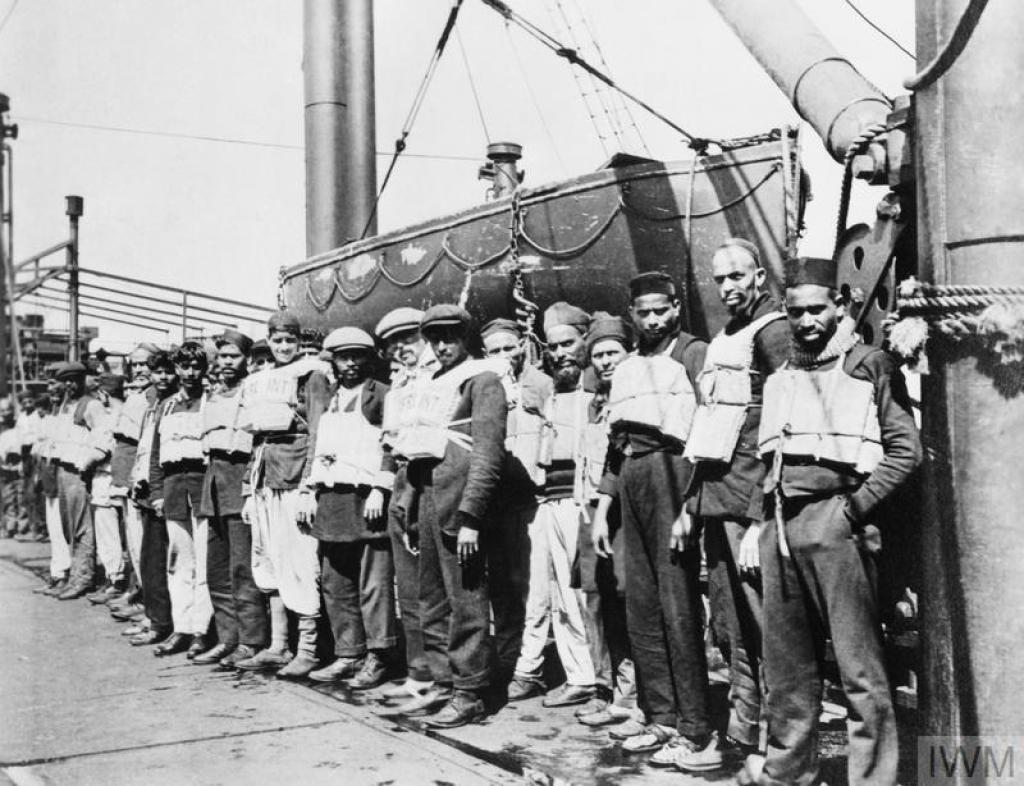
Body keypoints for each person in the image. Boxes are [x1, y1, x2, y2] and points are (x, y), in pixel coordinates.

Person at [753, 257, 922, 786]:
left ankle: (872, 779)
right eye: (795, 311)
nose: (806, 321)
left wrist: (852, 510)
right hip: (780, 524)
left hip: (836, 523)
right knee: (786, 666)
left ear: (841, 306)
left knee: (859, 671)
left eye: (817, 310)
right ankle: (786, 770)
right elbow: (769, 458)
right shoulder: (782, 373)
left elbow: (906, 451)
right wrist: (761, 522)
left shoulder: (869, 364)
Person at [601, 271, 718, 769]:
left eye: (661, 310)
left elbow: (710, 430)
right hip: (633, 477)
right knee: (642, 605)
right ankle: (660, 716)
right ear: (632, 315)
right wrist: (603, 506)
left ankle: (696, 729)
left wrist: (690, 506)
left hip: (674, 474)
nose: (652, 320)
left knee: (677, 605)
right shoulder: (627, 366)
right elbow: (615, 444)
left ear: (675, 307)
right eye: (643, 312)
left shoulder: (694, 353)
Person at [682, 238, 790, 763]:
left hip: (748, 503)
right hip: (716, 500)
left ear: (759, 278)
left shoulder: (773, 333)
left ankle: (779, 748)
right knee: (730, 627)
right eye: (720, 277)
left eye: (737, 276)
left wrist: (760, 518)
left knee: (765, 627)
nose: (727, 286)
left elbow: (780, 431)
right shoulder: (726, 335)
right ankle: (744, 737)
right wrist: (690, 504)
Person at [383, 304, 507, 728]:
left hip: (460, 503)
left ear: (465, 337)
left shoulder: (483, 379)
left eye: (450, 336)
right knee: (431, 598)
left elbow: (488, 454)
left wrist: (472, 515)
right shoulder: (432, 383)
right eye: (434, 337)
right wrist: (410, 505)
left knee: (466, 599)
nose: (441, 345)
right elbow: (416, 450)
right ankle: (442, 681)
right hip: (428, 498)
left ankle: (470, 691)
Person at [506, 303, 597, 707]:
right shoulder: (548, 393)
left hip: (580, 504)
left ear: (585, 342)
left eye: (569, 344)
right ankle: (536, 669)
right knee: (543, 591)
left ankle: (585, 677)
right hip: (546, 502)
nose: (561, 353)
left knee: (576, 593)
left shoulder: (595, 394)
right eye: (554, 346)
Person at [237, 310, 330, 678]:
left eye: (290, 341)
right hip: (264, 477)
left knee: (299, 559)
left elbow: (318, 431)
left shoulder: (312, 375)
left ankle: (308, 649)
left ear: (298, 342)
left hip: (294, 475)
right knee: (268, 559)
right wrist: (249, 487)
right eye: (277, 341)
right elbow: (255, 439)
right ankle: (279, 644)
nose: (284, 347)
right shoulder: (262, 379)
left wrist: (310, 484)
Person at [305, 326, 397, 688]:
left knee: (373, 583)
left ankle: (380, 655)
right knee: (335, 580)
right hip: (332, 498)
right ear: (334, 361)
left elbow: (390, 445)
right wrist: (307, 491)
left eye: (358, 356)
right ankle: (349, 653)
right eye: (344, 357)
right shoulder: (326, 398)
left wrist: (379, 488)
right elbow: (316, 444)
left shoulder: (382, 396)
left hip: (367, 499)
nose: (351, 364)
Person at [374, 307, 441, 708]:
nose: (401, 350)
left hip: (433, 479)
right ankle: (419, 673)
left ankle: (441, 676)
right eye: (393, 344)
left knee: (435, 587)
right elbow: (389, 442)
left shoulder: (440, 378)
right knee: (409, 585)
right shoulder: (397, 388)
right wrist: (383, 490)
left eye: (408, 340)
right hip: (401, 482)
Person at [480, 317, 552, 683]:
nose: (505, 356)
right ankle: (508, 657)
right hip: (497, 502)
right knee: (502, 586)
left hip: (533, 500)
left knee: (533, 586)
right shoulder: (484, 387)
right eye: (496, 351)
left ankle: (531, 666)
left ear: (524, 344)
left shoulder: (541, 383)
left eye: (510, 348)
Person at [579, 313, 639, 727]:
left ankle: (633, 696)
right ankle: (612, 689)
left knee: (627, 602)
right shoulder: (594, 401)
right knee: (598, 604)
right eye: (598, 354)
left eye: (612, 352)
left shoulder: (633, 397)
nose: (605, 361)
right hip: (592, 515)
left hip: (623, 516)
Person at [197, 330, 269, 668]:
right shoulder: (213, 395)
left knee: (242, 569)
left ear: (246, 360)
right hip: (214, 488)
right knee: (216, 570)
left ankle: (251, 641)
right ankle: (228, 637)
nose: (226, 363)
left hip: (239, 486)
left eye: (233, 357)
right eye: (222, 356)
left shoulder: (253, 393)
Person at [150, 342, 215, 658]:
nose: (190, 373)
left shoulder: (210, 402)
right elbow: (154, 454)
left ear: (204, 369)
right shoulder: (166, 406)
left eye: (196, 366)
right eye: (184, 366)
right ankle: (182, 627)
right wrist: (157, 492)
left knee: (204, 561)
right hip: (174, 488)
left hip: (202, 488)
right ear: (176, 369)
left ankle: (202, 631)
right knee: (179, 562)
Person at [128, 350, 179, 646]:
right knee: (149, 558)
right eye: (157, 371)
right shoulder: (152, 404)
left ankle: (162, 622)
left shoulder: (171, 405)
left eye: (167, 371)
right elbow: (145, 448)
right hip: (147, 488)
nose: (162, 377)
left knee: (163, 561)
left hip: (164, 490)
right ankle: (153, 616)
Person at [107, 344, 158, 619]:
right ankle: (137, 591)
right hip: (124, 474)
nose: (139, 370)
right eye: (135, 365)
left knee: (142, 543)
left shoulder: (153, 396)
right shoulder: (137, 394)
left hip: (138, 478)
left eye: (144, 364)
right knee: (133, 541)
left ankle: (146, 600)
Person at [53, 362, 106, 600]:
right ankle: (75, 574)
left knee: (82, 526)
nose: (69, 385)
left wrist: (86, 462)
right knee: (67, 526)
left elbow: (103, 438)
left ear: (83, 380)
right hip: (62, 470)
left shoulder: (91, 405)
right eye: (65, 381)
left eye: (74, 380)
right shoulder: (65, 405)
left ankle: (83, 577)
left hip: (78, 472)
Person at [82, 374, 129, 605]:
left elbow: (99, 452)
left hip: (104, 478)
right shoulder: (128, 413)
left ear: (104, 395)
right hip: (124, 479)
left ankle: (115, 581)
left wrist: (82, 465)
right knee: (126, 533)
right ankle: (123, 580)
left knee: (108, 533)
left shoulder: (108, 419)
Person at [0, 398, 23, 538]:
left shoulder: (17, 426)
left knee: (20, 497)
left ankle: (20, 527)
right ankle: (9, 526)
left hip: (17, 464)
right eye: (1, 410)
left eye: (7, 409)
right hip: (2, 466)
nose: (4, 413)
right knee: (6, 497)